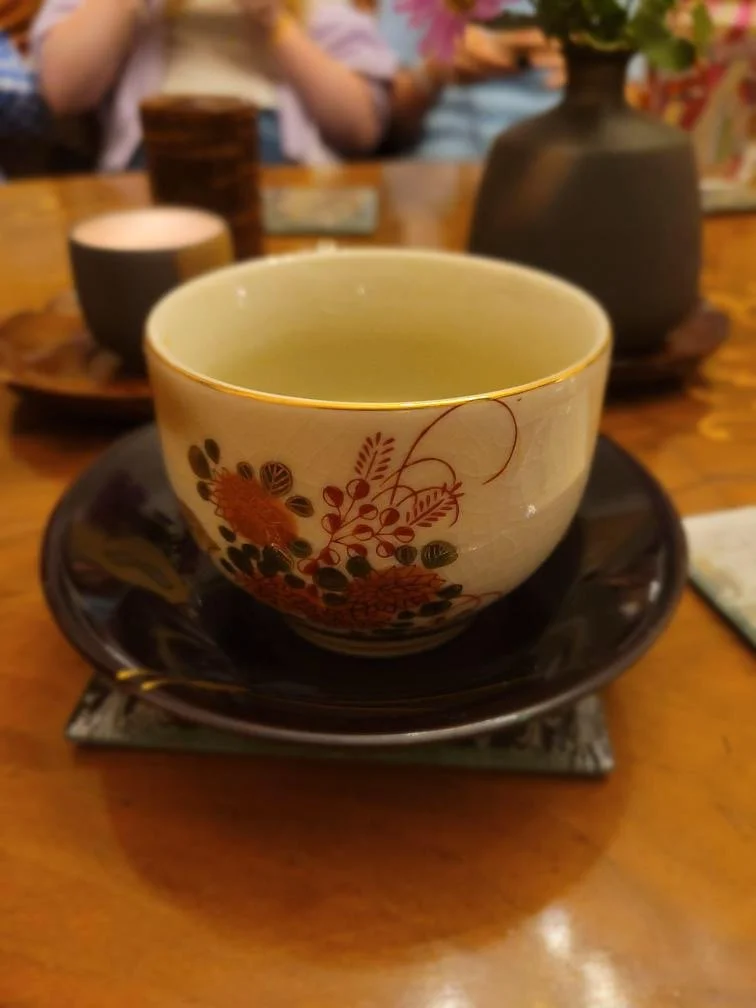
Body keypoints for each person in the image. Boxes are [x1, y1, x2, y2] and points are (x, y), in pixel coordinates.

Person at [31, 0, 399, 169]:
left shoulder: (320, 7)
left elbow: (361, 128)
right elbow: (63, 90)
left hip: (276, 163)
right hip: (156, 153)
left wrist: (276, 21)